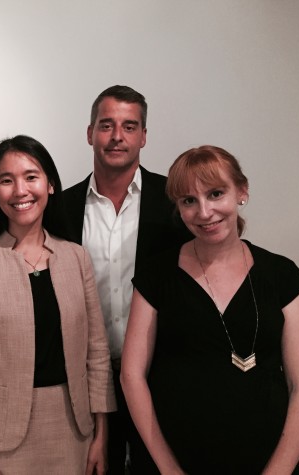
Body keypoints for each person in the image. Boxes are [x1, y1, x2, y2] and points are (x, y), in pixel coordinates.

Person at [121, 145, 299, 474]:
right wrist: (169, 470)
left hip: (266, 461)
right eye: (189, 201)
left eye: (215, 194)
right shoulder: (156, 276)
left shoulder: (281, 276)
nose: (204, 212)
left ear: (242, 191)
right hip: (174, 462)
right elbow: (132, 376)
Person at [0, 135, 117, 474]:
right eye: (6, 180)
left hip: (76, 431)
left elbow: (97, 352)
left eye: (31, 177)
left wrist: (101, 435)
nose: (20, 190)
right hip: (2, 438)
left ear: (50, 184)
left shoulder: (76, 257)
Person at [62, 85, 191, 473]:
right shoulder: (61, 209)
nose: (117, 136)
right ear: (90, 133)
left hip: (160, 377)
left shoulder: (176, 205)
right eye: (107, 125)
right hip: (88, 383)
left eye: (129, 126)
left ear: (143, 136)